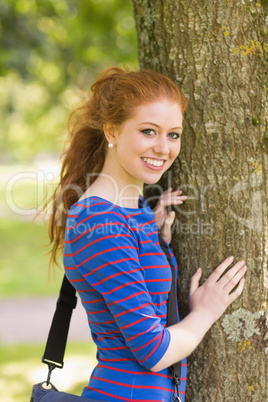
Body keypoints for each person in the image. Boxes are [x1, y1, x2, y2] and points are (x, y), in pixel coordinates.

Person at [47, 67, 246, 402]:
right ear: (112, 130)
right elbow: (154, 352)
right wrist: (206, 312)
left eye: (173, 135)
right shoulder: (98, 221)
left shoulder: (131, 210)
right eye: (148, 131)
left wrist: (153, 241)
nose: (163, 148)